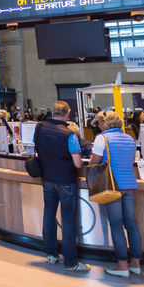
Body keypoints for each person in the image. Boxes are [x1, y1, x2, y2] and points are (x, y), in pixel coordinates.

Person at [88, 111, 142, 277]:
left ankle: (122, 266)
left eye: (99, 122)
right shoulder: (130, 138)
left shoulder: (102, 139)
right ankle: (136, 264)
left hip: (112, 185)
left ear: (105, 123)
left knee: (116, 225)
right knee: (132, 225)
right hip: (130, 184)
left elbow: (94, 163)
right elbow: (131, 160)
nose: (98, 126)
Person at [37, 101, 89, 272]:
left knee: (49, 215)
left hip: (47, 179)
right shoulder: (69, 135)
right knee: (68, 221)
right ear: (67, 114)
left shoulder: (39, 128)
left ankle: (51, 254)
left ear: (52, 112)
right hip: (66, 181)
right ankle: (70, 262)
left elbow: (38, 151)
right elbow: (77, 163)